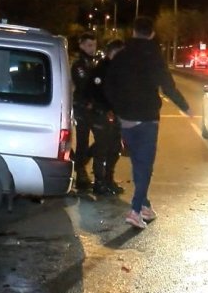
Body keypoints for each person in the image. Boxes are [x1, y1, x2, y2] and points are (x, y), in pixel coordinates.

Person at [103, 16, 191, 229]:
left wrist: (117, 109)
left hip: (126, 119)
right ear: (151, 33)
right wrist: (185, 107)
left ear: (133, 32)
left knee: (138, 163)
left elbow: (108, 85)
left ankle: (145, 206)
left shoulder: (121, 56)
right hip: (147, 118)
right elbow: (167, 86)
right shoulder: (154, 57)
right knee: (145, 166)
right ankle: (135, 210)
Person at [86, 39, 125, 196]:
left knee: (115, 148)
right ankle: (99, 182)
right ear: (113, 52)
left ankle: (108, 179)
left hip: (115, 115)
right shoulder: (102, 69)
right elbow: (96, 93)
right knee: (102, 148)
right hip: (102, 114)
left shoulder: (118, 68)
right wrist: (107, 108)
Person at [70, 32, 99, 190]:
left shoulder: (91, 62)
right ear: (81, 45)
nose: (92, 48)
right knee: (83, 141)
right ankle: (81, 173)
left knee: (102, 138)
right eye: (89, 45)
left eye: (94, 45)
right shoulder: (79, 64)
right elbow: (83, 85)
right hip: (82, 106)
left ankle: (79, 163)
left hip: (92, 107)